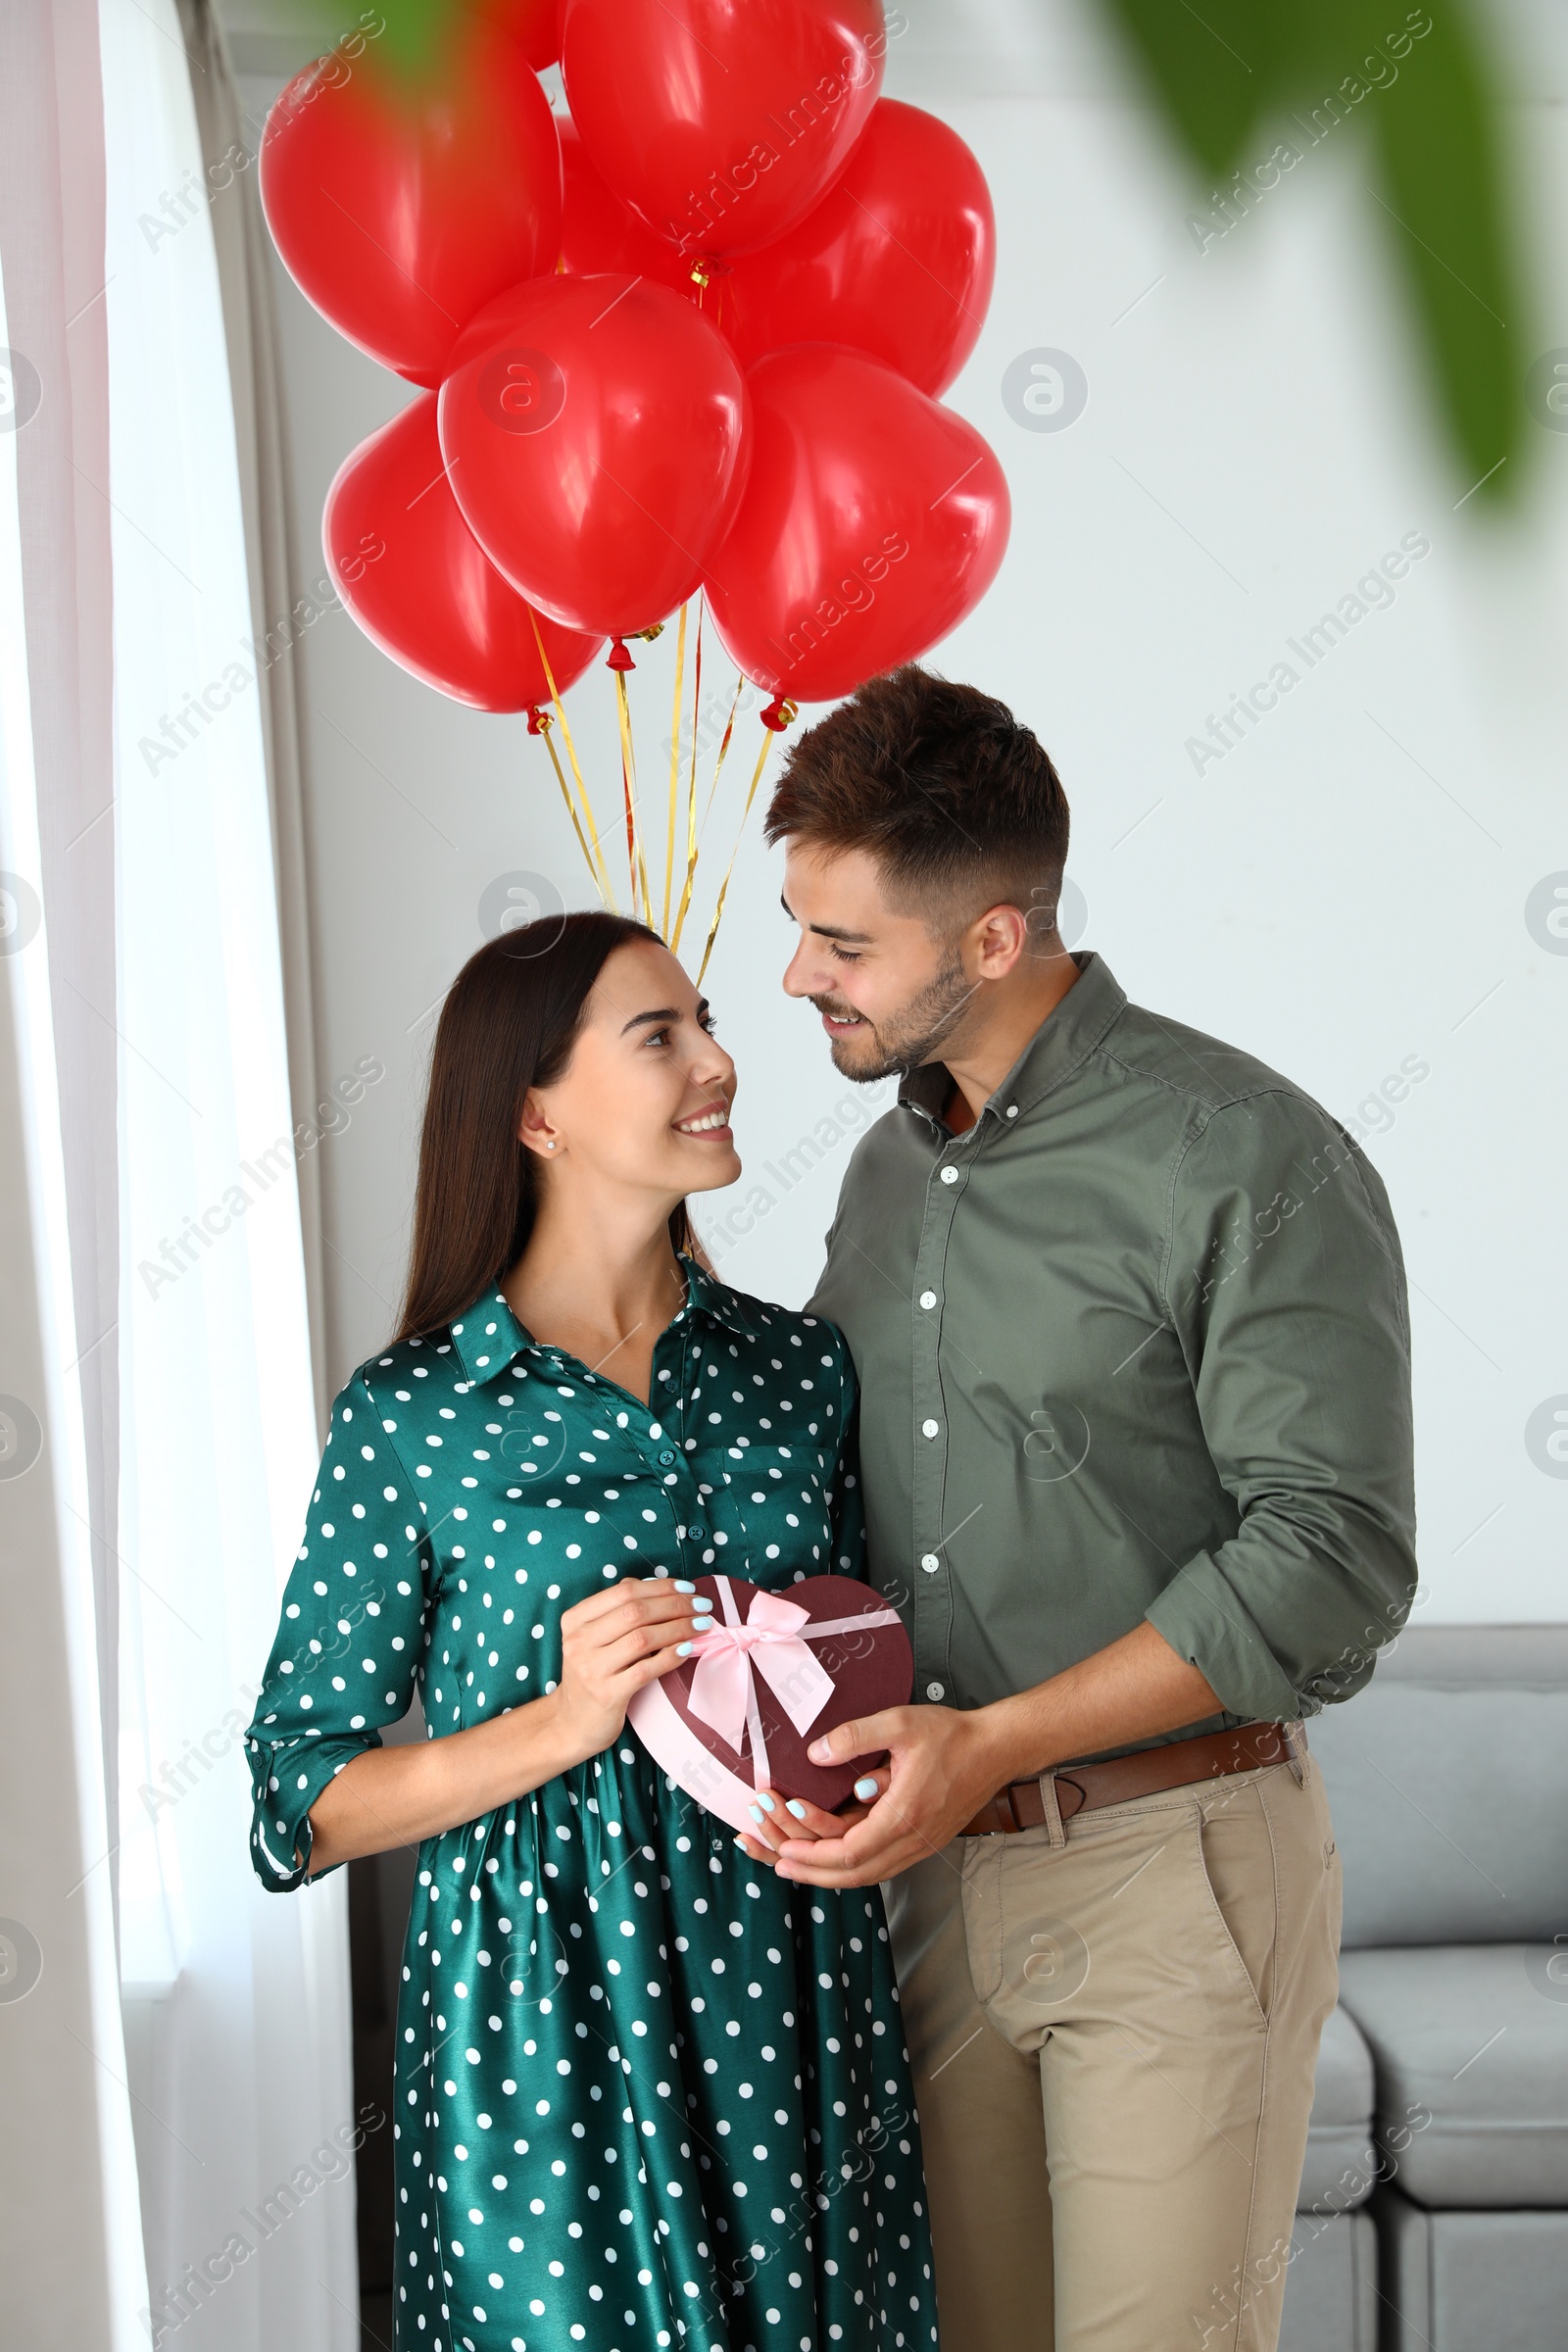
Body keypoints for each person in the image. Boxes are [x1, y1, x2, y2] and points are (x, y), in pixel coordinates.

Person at [736, 666, 1418, 2352]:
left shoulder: (1245, 1154)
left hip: (1169, 1867)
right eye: (800, 927)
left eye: (844, 944)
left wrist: (1003, 1737)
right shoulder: (890, 1164)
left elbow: (1330, 1559)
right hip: (933, 1876)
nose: (796, 977)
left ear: (991, 941)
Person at [243, 911, 939, 2352]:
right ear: (534, 1112)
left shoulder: (800, 1373)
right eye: (661, 1034)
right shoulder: (416, 1415)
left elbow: (872, 1663)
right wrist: (557, 1725)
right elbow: (296, 1804)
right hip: (540, 2026)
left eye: (709, 1021)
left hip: (793, 1997)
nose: (722, 1061)